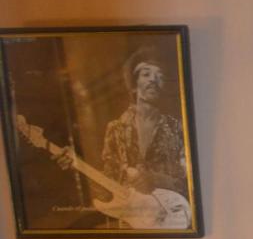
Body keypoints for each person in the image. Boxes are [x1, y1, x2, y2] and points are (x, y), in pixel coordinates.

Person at [55, 47, 191, 228]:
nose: (153, 79)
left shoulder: (177, 128)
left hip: (172, 219)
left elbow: (188, 181)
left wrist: (155, 180)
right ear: (133, 84)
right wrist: (76, 165)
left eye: (160, 75)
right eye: (146, 74)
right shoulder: (115, 129)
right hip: (132, 223)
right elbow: (108, 185)